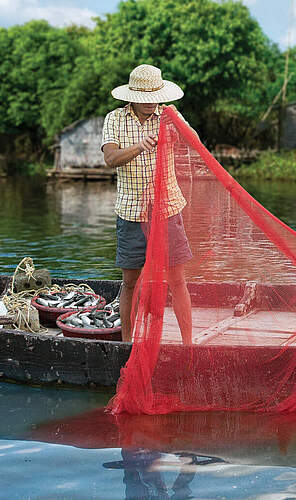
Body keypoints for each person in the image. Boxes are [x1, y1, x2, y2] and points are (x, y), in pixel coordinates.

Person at [101, 64, 194, 344]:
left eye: (155, 96)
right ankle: (127, 344)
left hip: (167, 209)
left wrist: (177, 125)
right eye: (145, 98)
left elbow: (196, 143)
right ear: (133, 96)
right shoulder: (115, 119)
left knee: (177, 280)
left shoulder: (168, 115)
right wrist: (140, 146)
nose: (150, 103)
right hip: (130, 211)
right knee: (130, 281)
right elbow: (110, 158)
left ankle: (188, 343)